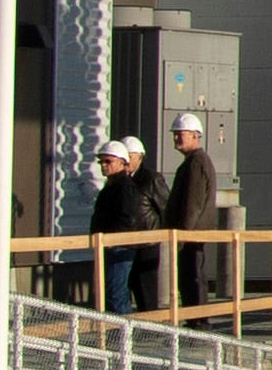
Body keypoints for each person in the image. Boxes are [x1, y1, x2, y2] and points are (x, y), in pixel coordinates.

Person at [164, 110, 227, 314]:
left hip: (191, 233)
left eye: (180, 133)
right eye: (175, 133)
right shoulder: (194, 162)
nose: (175, 138)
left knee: (192, 275)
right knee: (191, 275)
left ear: (194, 135)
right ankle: (196, 318)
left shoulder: (196, 163)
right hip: (192, 233)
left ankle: (198, 319)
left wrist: (183, 234)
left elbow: (193, 203)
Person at [88, 137, 160, 313]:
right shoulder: (112, 186)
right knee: (111, 291)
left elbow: (128, 218)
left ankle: (121, 335)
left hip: (120, 246)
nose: (103, 165)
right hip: (110, 245)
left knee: (116, 292)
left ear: (122, 163)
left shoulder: (124, 187)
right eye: (101, 162)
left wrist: (112, 239)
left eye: (108, 161)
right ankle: (114, 333)